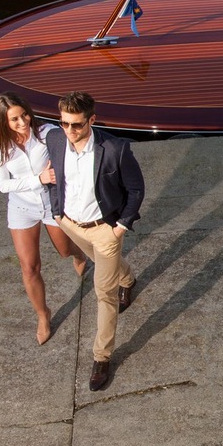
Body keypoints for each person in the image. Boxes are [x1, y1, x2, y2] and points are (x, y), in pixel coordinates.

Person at [42, 91, 145, 391]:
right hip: (70, 223)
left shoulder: (115, 149)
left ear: (92, 120)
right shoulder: (55, 139)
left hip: (104, 230)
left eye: (76, 124)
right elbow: (55, 177)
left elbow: (136, 190)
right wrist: (56, 211)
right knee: (105, 266)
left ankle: (102, 357)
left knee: (104, 293)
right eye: (64, 123)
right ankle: (128, 279)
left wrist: (120, 227)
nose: (70, 131)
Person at [0, 92, 87, 345]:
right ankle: (43, 315)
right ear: (3, 121)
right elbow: (3, 185)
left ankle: (79, 254)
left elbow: (75, 150)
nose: (23, 122)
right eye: (14, 119)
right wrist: (38, 179)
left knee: (65, 250)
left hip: (52, 203)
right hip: (22, 208)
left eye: (24, 115)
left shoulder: (47, 134)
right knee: (29, 268)